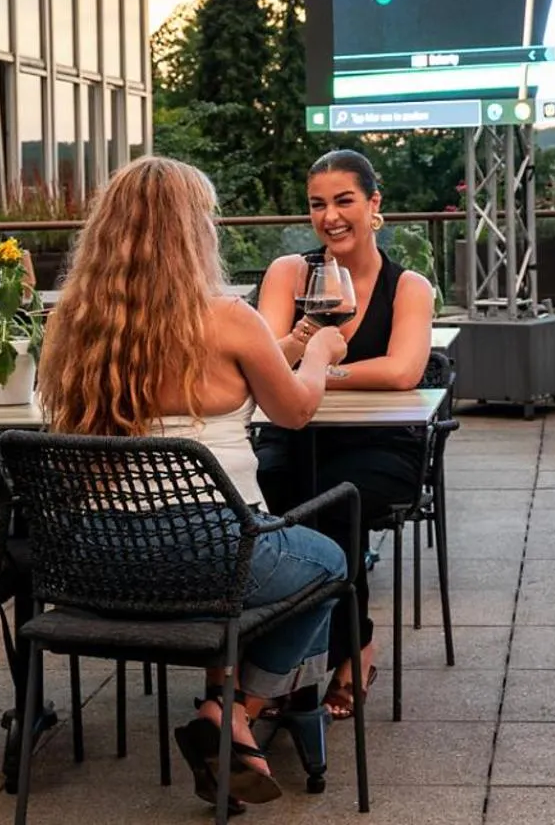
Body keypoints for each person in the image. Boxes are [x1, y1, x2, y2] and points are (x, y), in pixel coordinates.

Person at [37, 156, 350, 806]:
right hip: (214, 555)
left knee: (253, 559)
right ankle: (234, 708)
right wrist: (317, 353)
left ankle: (228, 714)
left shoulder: (69, 323)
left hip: (90, 561)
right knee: (326, 561)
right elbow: (293, 410)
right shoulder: (227, 318)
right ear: (193, 232)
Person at [255, 149, 434, 719]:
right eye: (317, 204)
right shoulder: (289, 273)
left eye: (343, 201)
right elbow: (264, 359)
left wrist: (317, 372)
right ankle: (332, 652)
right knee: (266, 503)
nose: (330, 215)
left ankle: (324, 660)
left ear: (374, 204)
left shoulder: (409, 287)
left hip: (380, 445)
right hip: (295, 432)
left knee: (333, 507)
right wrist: (304, 354)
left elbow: (403, 371)